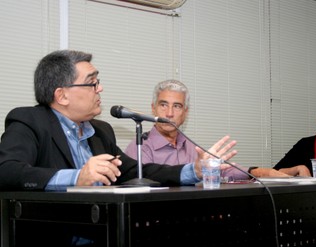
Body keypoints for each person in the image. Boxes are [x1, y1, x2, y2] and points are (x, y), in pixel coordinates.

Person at [0, 50, 239, 192]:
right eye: (92, 83)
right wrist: (77, 177)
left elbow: (137, 170)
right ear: (62, 95)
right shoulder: (29, 120)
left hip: (104, 232)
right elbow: (7, 171)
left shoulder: (100, 131)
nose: (100, 88)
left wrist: (194, 171)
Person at [124, 79, 290, 181]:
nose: (169, 113)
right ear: (153, 109)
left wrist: (258, 172)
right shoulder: (140, 148)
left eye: (177, 106)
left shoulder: (190, 145)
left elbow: (222, 171)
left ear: (185, 113)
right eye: (163, 105)